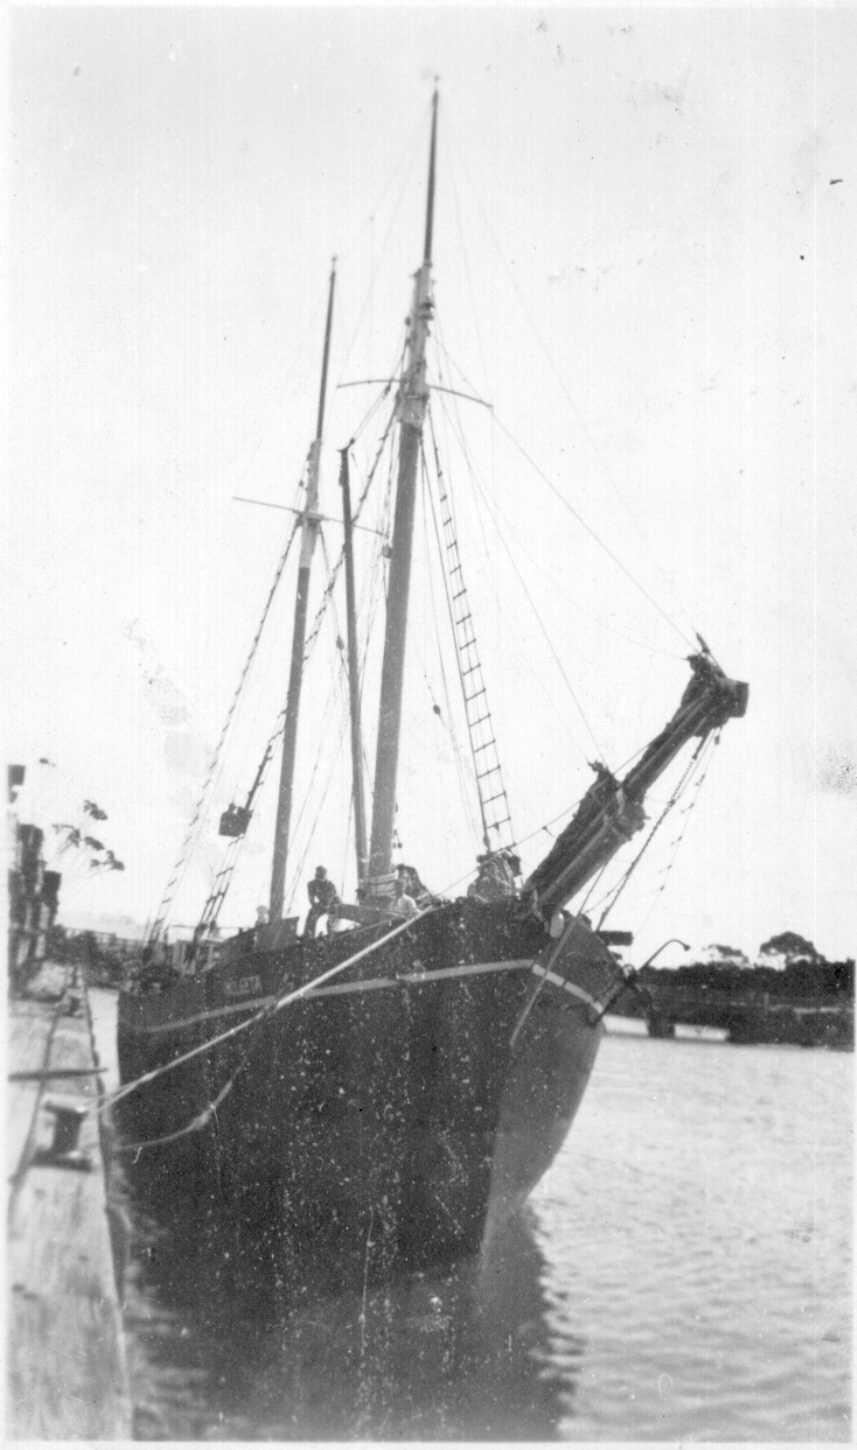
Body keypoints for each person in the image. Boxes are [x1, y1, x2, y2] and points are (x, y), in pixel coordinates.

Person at [304, 866, 339, 938]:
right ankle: (308, 937)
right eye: (318, 874)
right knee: (311, 915)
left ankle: (332, 937)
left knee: (330, 922)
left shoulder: (330, 885)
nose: (320, 877)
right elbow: (311, 897)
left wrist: (326, 905)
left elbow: (331, 897)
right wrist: (314, 906)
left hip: (334, 904)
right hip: (322, 903)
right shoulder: (312, 884)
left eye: (322, 874)